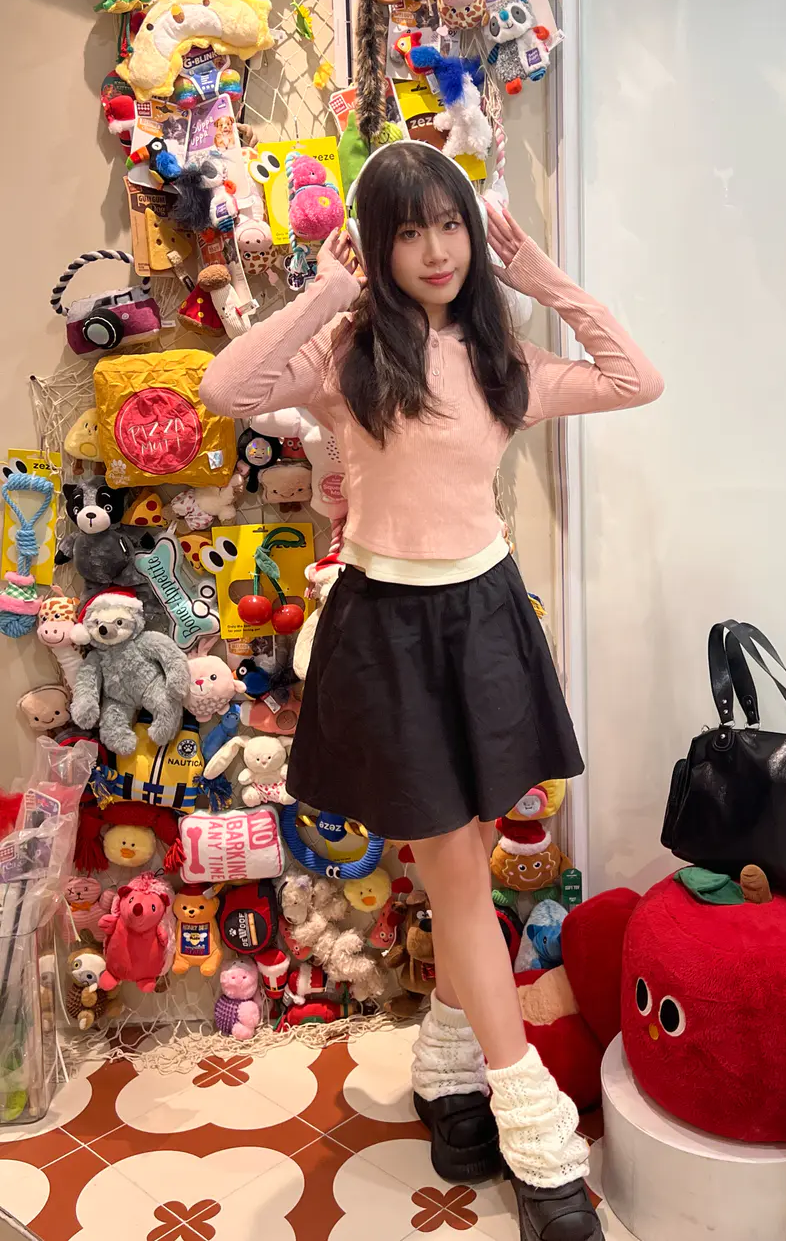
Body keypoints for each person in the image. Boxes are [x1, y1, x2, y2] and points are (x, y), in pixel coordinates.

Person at [200, 141, 663, 1241]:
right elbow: (227, 387)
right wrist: (327, 291)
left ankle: (449, 1065)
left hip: (485, 618)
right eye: (407, 231)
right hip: (389, 629)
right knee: (455, 873)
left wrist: (547, 282)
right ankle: (537, 1138)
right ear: (377, 245)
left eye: (449, 224)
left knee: (475, 855)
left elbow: (637, 380)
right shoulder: (350, 356)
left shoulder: (501, 359)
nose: (436, 249)